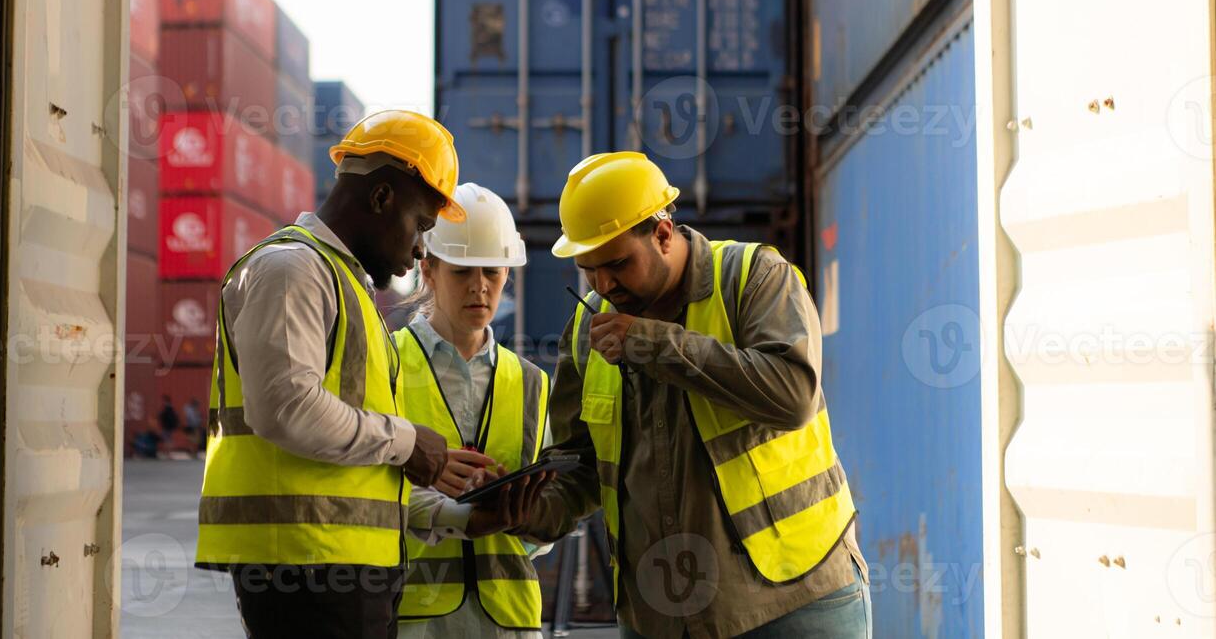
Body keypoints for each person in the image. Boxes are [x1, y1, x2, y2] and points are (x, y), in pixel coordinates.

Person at [194, 110, 547, 639]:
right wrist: (407, 443)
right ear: (382, 198)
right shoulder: (292, 269)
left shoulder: (346, 289)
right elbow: (284, 406)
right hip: (307, 568)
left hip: (341, 569)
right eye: (422, 225)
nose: (421, 247)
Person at [515, 152, 872, 638]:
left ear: (663, 233)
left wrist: (652, 343)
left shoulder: (754, 278)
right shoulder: (585, 329)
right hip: (661, 617)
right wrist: (527, 510)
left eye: (617, 264)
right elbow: (579, 466)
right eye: (588, 270)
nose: (603, 285)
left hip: (795, 599)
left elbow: (793, 397)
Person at [394, 183, 551, 639]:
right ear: (429, 270)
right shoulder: (388, 361)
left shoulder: (531, 383)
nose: (480, 286)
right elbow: (358, 494)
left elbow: (545, 526)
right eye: (462, 270)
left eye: (492, 272)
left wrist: (515, 508)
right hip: (415, 619)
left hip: (510, 620)